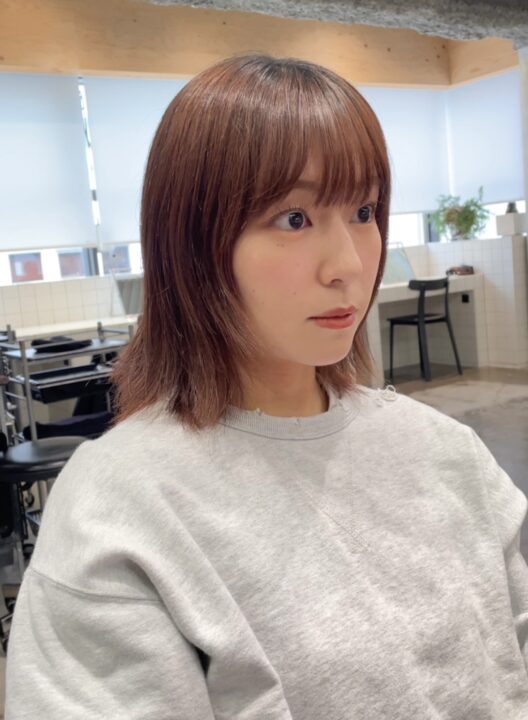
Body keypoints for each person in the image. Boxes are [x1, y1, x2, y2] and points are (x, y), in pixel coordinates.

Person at [5, 54, 528, 719]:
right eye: (294, 218)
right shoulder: (121, 508)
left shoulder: (449, 454)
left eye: (363, 210)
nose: (348, 265)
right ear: (193, 243)